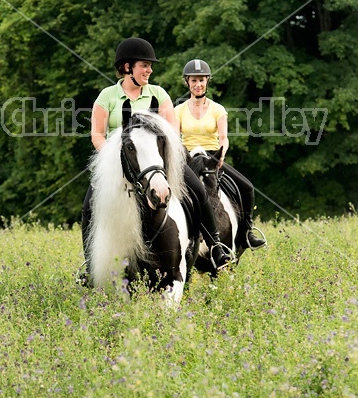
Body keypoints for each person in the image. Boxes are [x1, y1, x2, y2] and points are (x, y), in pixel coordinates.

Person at [81, 38, 230, 275]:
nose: (150, 70)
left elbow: (171, 133)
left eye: (150, 66)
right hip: (120, 166)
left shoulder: (158, 95)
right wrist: (111, 159)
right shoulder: (107, 97)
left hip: (158, 165)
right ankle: (90, 265)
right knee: (89, 205)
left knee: (199, 191)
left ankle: (215, 247)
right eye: (144, 65)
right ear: (128, 67)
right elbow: (97, 136)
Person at [174, 59, 266, 250]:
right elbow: (175, 140)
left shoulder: (218, 109)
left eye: (201, 80)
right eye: (194, 81)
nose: (198, 84)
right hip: (188, 159)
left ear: (207, 81)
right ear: (187, 82)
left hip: (212, 157)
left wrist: (221, 155)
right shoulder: (178, 110)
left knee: (247, 188)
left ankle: (246, 233)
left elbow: (224, 138)